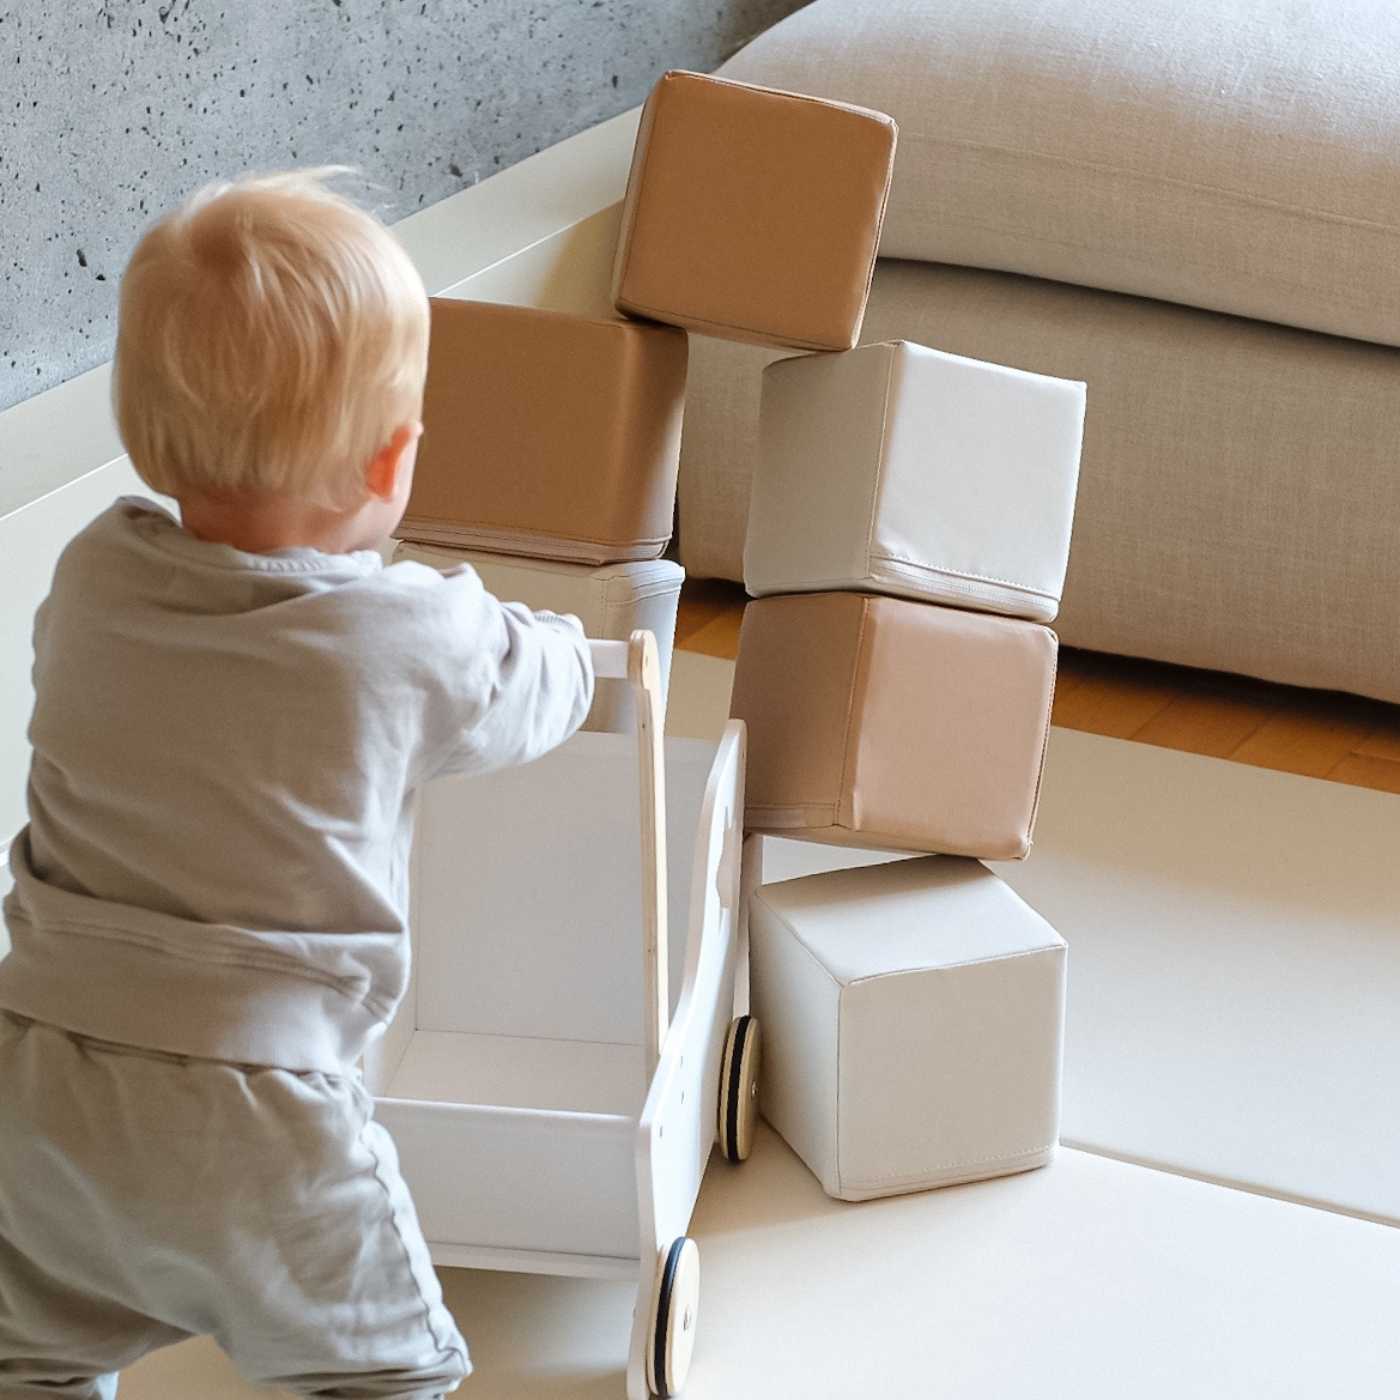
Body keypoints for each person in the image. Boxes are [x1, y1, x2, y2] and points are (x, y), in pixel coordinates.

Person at [0, 168, 595, 1398]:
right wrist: (577, 649)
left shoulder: (92, 578)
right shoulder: (412, 636)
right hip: (258, 1112)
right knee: (383, 1373)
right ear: (392, 461)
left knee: (29, 1356)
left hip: (36, 1082)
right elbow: (534, 687)